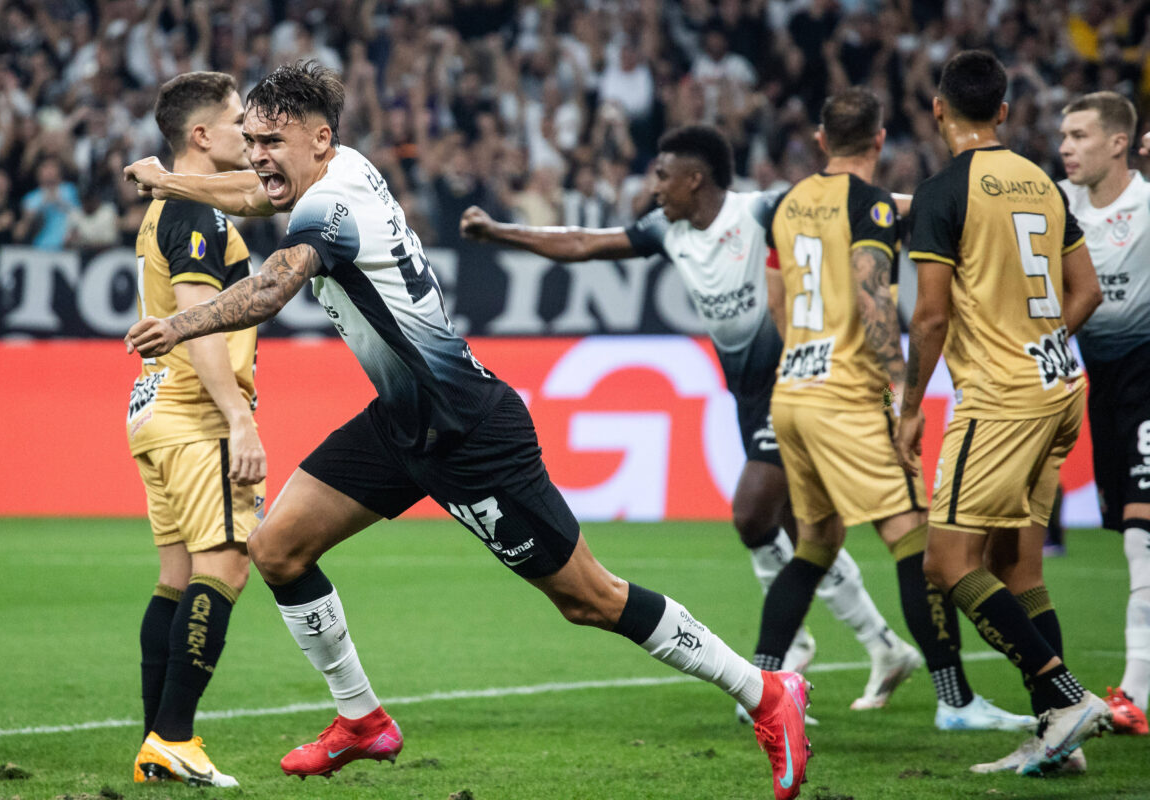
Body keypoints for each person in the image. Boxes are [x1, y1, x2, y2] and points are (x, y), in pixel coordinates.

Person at [124, 61, 811, 800]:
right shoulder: (336, 166)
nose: (257, 155)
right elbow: (254, 194)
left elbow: (273, 284)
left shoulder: (331, 208)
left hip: (469, 432)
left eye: (271, 142)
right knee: (277, 549)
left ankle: (765, 691)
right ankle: (360, 720)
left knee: (590, 599)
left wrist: (183, 322)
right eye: (250, 139)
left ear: (318, 140)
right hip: (402, 422)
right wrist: (174, 182)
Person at [461, 123, 925, 716]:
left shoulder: (760, 211)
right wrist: (498, 231)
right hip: (748, 391)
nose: (654, 187)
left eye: (662, 175)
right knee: (792, 528)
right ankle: (881, 645)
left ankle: (785, 653)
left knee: (752, 512)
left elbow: (861, 204)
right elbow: (581, 243)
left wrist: (950, 202)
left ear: (694, 179)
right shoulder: (666, 230)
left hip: (797, 379)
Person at [755, 86, 1032, 734]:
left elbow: (773, 299)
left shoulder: (786, 203)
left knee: (817, 544)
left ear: (821, 140)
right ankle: (956, 700)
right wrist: (901, 391)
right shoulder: (872, 206)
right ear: (880, 140)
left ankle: (760, 684)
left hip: (792, 391)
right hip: (846, 397)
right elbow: (871, 294)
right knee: (912, 538)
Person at [896, 50, 1107, 776]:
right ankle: (1058, 734)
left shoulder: (943, 192)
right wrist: (1044, 343)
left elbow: (928, 319)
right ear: (1007, 113)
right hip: (1057, 390)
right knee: (1019, 565)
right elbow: (1087, 290)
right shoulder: (1043, 182)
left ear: (938, 110)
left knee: (947, 559)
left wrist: (908, 408)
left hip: (999, 400)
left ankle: (1062, 694)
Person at [127, 71, 266, 788]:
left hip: (152, 410)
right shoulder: (197, 216)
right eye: (241, 121)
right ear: (201, 135)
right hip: (196, 410)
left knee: (176, 580)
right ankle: (176, 736)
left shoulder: (165, 210)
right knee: (228, 567)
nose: (252, 134)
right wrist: (239, 418)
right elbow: (198, 321)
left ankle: (158, 744)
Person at [1057, 90, 1150, 735]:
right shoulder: (1057, 207)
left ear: (1119, 142)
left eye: (1081, 135)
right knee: (1129, 533)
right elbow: (963, 207)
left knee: (1144, 533)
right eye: (1064, 135)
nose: (1066, 146)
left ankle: (1135, 691)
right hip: (1101, 380)